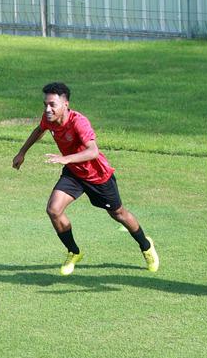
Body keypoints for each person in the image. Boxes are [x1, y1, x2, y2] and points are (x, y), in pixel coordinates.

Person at [12, 82, 159, 275]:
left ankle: (146, 246)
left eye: (52, 105)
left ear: (65, 104)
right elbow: (39, 130)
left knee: (119, 214)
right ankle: (74, 252)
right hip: (73, 173)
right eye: (45, 104)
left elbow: (93, 152)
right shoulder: (49, 118)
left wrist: (66, 159)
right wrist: (22, 152)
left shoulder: (78, 122)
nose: (47, 109)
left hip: (97, 175)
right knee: (53, 210)